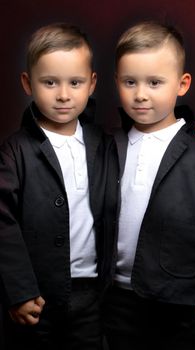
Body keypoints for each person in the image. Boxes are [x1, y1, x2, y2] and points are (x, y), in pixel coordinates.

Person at [103, 21, 195, 350]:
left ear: (182, 83)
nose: (141, 94)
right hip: (117, 297)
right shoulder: (107, 146)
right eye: (130, 82)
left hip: (178, 300)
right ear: (116, 81)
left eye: (155, 82)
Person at [0, 22, 116, 350]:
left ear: (91, 83)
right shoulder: (15, 150)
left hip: (91, 296)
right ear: (28, 83)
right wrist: (18, 291)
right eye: (49, 82)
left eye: (75, 82)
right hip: (36, 297)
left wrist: (191, 133)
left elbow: (148, 140)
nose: (63, 94)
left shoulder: (104, 143)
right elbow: (3, 224)